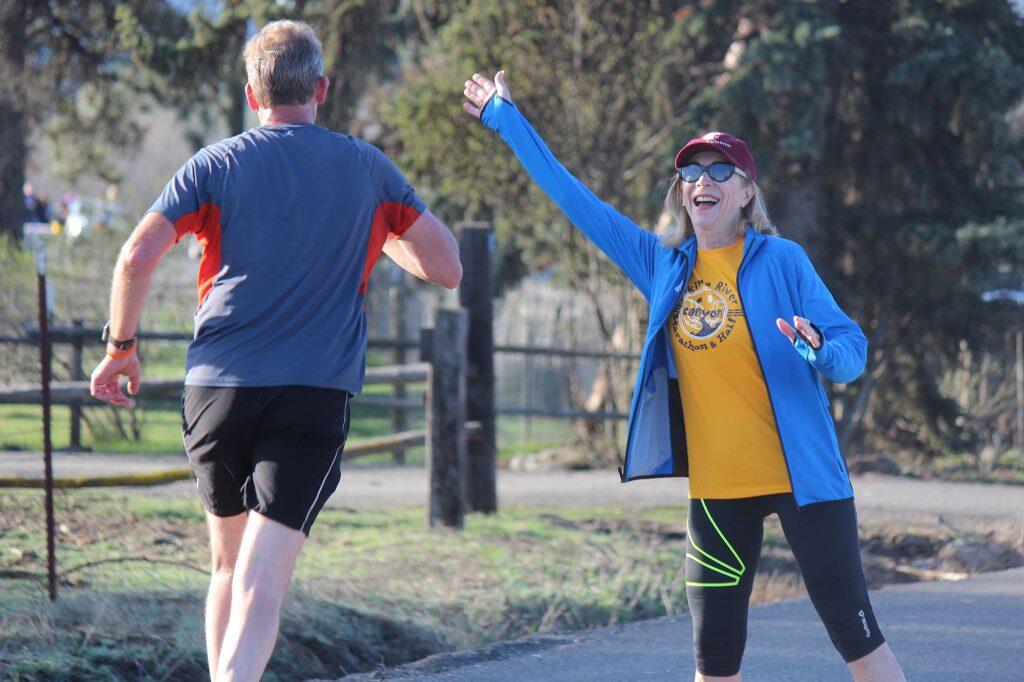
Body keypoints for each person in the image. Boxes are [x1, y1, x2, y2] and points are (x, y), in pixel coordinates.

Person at [463, 71, 905, 681]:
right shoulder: (663, 266)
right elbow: (574, 199)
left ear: (746, 193)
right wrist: (506, 119)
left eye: (720, 171)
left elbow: (852, 350)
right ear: (681, 193)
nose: (703, 181)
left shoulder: (783, 260)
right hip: (717, 493)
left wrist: (820, 349)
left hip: (805, 483)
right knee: (713, 664)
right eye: (691, 172)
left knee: (860, 643)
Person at [90, 20, 461, 681]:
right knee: (262, 583)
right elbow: (446, 268)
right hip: (311, 393)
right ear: (321, 87)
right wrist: (379, 232)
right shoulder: (367, 168)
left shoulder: (213, 165)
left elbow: (136, 255)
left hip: (215, 390)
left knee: (227, 567)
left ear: (251, 94)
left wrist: (121, 347)